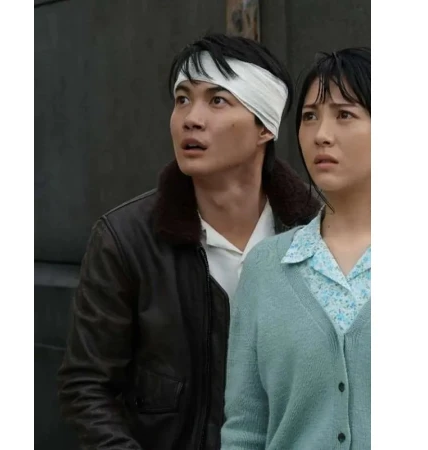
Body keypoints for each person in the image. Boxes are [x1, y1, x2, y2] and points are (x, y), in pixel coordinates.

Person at [57, 33, 319, 450]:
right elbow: (87, 388)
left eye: (217, 100)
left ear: (265, 127)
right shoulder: (125, 240)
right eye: (182, 99)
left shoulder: (316, 232)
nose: (190, 119)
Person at [221, 47, 371, 450]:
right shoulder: (266, 268)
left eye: (344, 115)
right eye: (309, 117)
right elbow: (245, 429)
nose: (321, 134)